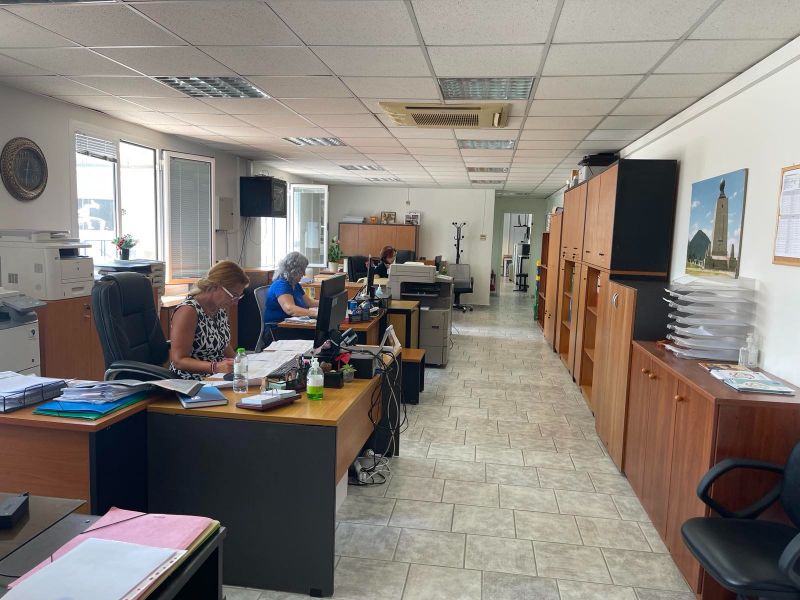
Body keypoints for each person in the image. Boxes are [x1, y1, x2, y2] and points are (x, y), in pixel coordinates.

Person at [169, 260, 249, 380]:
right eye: (233, 296)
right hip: (191, 381)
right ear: (216, 286)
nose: (235, 302)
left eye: (239, 297)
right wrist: (215, 367)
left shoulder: (219, 308)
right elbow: (179, 361)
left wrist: (239, 362)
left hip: (217, 377)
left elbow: (223, 344)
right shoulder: (188, 311)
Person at [264, 252, 320, 329]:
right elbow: (290, 309)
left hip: (293, 325)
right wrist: (315, 313)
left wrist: (327, 304)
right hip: (278, 328)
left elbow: (309, 302)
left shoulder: (295, 284)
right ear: (294, 270)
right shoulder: (281, 284)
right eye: (302, 270)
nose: (304, 274)